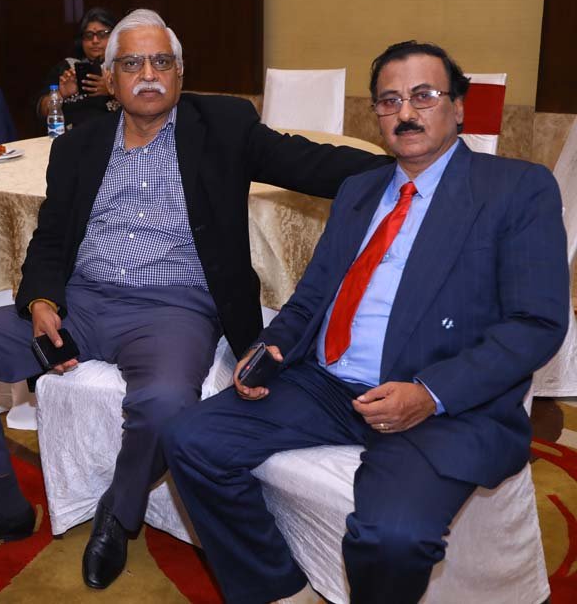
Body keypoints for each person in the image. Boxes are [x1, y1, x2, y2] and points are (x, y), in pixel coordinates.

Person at [0, 9, 389, 590]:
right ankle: (3, 501)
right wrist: (42, 298)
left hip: (176, 308)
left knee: (168, 402)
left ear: (179, 71)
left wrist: (414, 167)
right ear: (110, 78)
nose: (148, 74)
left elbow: (313, 162)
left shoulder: (222, 125)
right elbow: (49, 238)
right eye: (132, 64)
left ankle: (119, 513)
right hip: (83, 302)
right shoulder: (79, 143)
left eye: (161, 61)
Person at [162, 41, 570, 604]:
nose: (406, 113)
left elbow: (535, 323)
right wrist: (275, 345)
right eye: (389, 100)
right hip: (327, 384)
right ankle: (278, 590)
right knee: (188, 439)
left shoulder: (515, 188)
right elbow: (313, 296)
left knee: (393, 538)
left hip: (438, 401)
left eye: (424, 96)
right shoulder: (360, 189)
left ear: (458, 107)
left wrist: (430, 393)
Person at [35, 7, 120, 129]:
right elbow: (42, 112)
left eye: (102, 34)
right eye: (88, 35)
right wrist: (61, 94)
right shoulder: (66, 68)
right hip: (70, 136)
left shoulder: (124, 67)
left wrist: (111, 90)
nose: (95, 40)